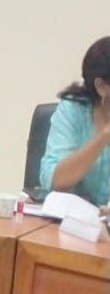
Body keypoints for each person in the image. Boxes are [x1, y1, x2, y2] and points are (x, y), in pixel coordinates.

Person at [40, 36, 110, 206]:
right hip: (73, 217)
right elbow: (56, 180)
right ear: (101, 86)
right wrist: (104, 136)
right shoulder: (73, 109)